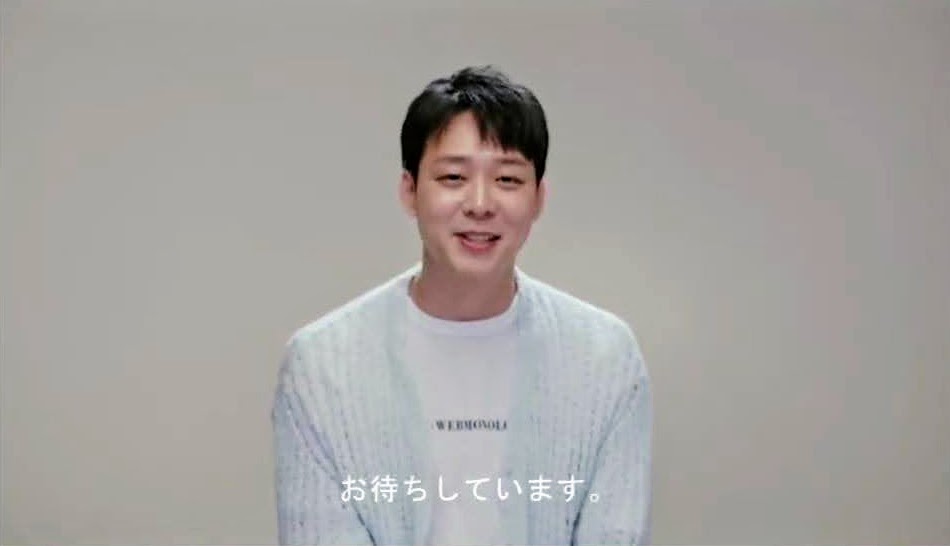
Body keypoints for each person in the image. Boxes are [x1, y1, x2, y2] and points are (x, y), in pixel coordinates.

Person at [271, 65, 653, 546]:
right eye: (453, 176)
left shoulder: (605, 358)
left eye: (507, 179)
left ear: (539, 198)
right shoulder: (322, 366)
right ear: (410, 191)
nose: (480, 203)